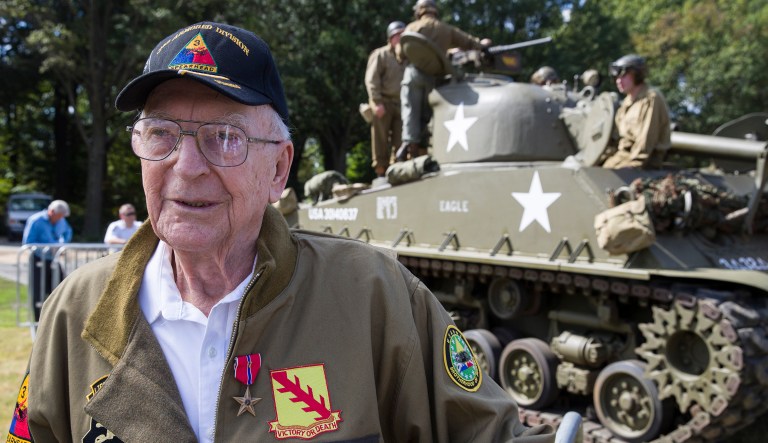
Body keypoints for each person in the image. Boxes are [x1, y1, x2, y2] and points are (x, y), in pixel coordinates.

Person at [8, 22, 556, 443]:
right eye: (162, 134)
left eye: (224, 137)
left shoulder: (372, 296)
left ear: (279, 169)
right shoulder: (74, 311)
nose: (186, 165)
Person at [397, 0, 491, 161]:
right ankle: (423, 152)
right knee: (428, 117)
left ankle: (407, 145)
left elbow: (400, 54)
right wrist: (482, 44)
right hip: (434, 80)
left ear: (419, 11)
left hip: (414, 76)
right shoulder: (446, 29)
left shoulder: (412, 28)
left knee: (410, 111)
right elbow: (470, 42)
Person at [601, 54, 671, 169]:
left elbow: (647, 138)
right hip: (621, 157)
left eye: (623, 76)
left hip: (643, 162)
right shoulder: (626, 103)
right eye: (616, 77)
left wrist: (634, 165)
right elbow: (616, 138)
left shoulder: (650, 98)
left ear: (636, 75)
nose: (618, 81)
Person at [365, 21, 406, 178]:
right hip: (383, 102)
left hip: (402, 104)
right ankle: (381, 173)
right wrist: (376, 102)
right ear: (391, 37)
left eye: (403, 35)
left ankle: (398, 171)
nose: (401, 39)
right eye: (398, 35)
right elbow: (372, 80)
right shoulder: (381, 54)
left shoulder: (407, 56)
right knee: (380, 139)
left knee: (401, 139)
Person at [20, 199, 72, 321]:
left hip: (53, 260)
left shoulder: (62, 220)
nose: (60, 219)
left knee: (60, 289)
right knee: (38, 292)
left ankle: (56, 320)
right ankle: (38, 322)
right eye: (59, 216)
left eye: (62, 217)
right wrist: (47, 248)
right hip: (38, 260)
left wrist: (63, 243)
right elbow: (28, 242)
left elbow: (68, 231)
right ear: (51, 212)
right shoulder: (35, 220)